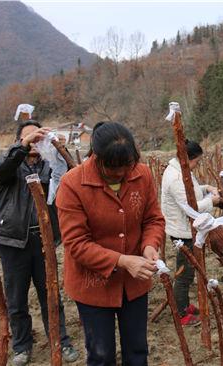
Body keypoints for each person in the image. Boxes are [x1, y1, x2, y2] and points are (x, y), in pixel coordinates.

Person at [56, 122, 165, 366]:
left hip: (134, 283)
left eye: (126, 166)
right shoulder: (72, 184)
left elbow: (153, 219)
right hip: (92, 285)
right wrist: (123, 261)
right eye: (112, 168)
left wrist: (150, 245)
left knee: (138, 351)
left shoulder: (142, 174)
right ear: (96, 156)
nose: (120, 173)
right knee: (101, 354)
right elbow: (76, 243)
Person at [0, 120, 79, 366]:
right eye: (28, 137)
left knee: (50, 294)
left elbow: (72, 176)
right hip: (12, 241)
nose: (34, 141)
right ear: (19, 140)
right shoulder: (9, 163)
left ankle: (61, 340)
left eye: (37, 137)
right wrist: (22, 145)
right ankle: (21, 347)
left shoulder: (49, 165)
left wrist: (62, 150)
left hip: (44, 241)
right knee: (17, 298)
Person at [161, 139, 220, 326]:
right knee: (184, 273)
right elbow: (190, 207)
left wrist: (206, 188)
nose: (197, 165)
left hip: (187, 228)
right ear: (187, 159)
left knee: (188, 270)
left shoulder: (182, 170)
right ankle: (181, 313)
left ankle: (184, 305)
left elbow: (191, 192)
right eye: (197, 161)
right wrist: (213, 202)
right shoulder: (176, 177)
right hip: (182, 231)